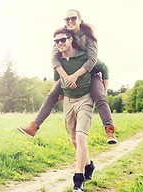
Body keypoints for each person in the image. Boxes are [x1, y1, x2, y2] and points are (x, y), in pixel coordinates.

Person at [18, 9, 117, 144]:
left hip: (90, 72)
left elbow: (94, 62)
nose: (70, 21)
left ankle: (110, 130)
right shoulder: (61, 37)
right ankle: (34, 127)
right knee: (51, 95)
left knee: (100, 97)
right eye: (67, 19)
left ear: (80, 20)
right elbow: (55, 61)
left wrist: (104, 89)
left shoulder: (88, 37)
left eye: (73, 18)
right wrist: (61, 84)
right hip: (67, 74)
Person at [54, 28, 95, 191]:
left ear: (71, 39)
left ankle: (79, 179)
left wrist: (103, 91)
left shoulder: (84, 55)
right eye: (56, 41)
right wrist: (58, 93)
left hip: (85, 98)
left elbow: (102, 66)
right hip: (68, 101)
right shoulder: (58, 61)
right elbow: (56, 78)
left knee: (80, 136)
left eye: (62, 40)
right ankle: (89, 165)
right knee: (73, 139)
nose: (59, 44)